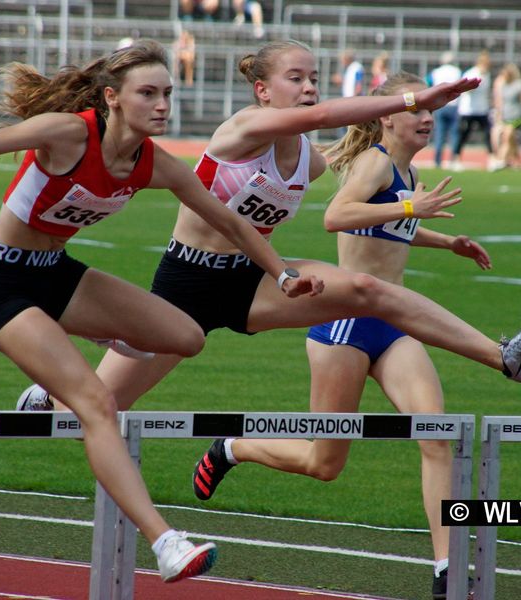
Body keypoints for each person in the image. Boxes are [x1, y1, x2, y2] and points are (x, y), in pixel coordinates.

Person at [17, 39, 520, 570]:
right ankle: (49, 397)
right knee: (102, 406)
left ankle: (503, 355)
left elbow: (355, 177)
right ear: (262, 90)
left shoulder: (312, 161)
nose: (309, 88)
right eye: (295, 78)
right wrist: (410, 100)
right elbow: (330, 118)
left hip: (255, 281)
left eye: (313, 78)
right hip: (186, 287)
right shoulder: (242, 129)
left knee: (370, 293)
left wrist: (422, 205)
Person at [0, 39, 330, 584]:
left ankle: (50, 382)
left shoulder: (155, 163)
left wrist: (280, 273)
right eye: (148, 93)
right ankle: (165, 542)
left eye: (168, 93)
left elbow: (231, 222)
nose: (162, 104)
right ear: (112, 98)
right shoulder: (69, 133)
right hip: (3, 284)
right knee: (95, 401)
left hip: (58, 275)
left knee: (185, 336)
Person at [192, 71, 483, 599]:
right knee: (325, 464)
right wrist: (414, 208)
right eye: (418, 111)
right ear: (387, 116)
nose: (426, 119)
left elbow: (389, 228)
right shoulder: (375, 162)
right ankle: (232, 448)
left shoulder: (406, 172)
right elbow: (338, 216)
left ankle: (447, 568)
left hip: (393, 328)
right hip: (345, 326)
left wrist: (446, 241)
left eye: (431, 114)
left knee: (436, 436)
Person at [451, 50, 495, 171]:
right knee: (464, 134)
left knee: (487, 134)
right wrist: (472, 87)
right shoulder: (472, 73)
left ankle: (491, 159)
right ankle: (456, 159)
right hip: (468, 110)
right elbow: (464, 90)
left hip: (482, 109)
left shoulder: (487, 75)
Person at [427, 51, 462, 168]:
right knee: (454, 134)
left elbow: (428, 83)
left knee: (440, 133)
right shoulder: (457, 71)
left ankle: (437, 161)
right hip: (454, 104)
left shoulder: (436, 72)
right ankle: (453, 159)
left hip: (440, 105)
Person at [493, 63, 521, 169]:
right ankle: (514, 159)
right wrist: (499, 115)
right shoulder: (504, 85)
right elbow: (500, 101)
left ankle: (500, 160)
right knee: (511, 140)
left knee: (507, 137)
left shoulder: (518, 85)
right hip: (506, 116)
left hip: (516, 116)